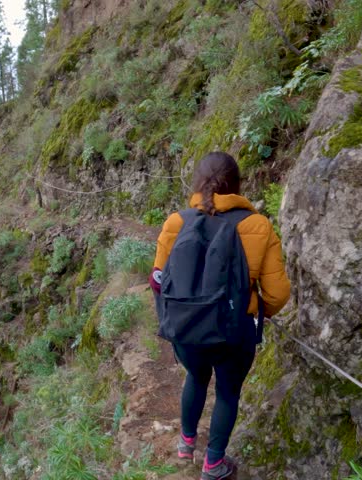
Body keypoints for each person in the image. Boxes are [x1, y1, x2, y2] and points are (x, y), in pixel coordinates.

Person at [150, 152, 291, 480]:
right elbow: (278, 293)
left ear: (199, 183)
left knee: (196, 377)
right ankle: (213, 463)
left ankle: (186, 443)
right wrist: (256, 313)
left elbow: (158, 278)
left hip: (185, 328)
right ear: (238, 185)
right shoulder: (257, 226)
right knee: (228, 391)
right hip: (235, 330)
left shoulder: (176, 222)